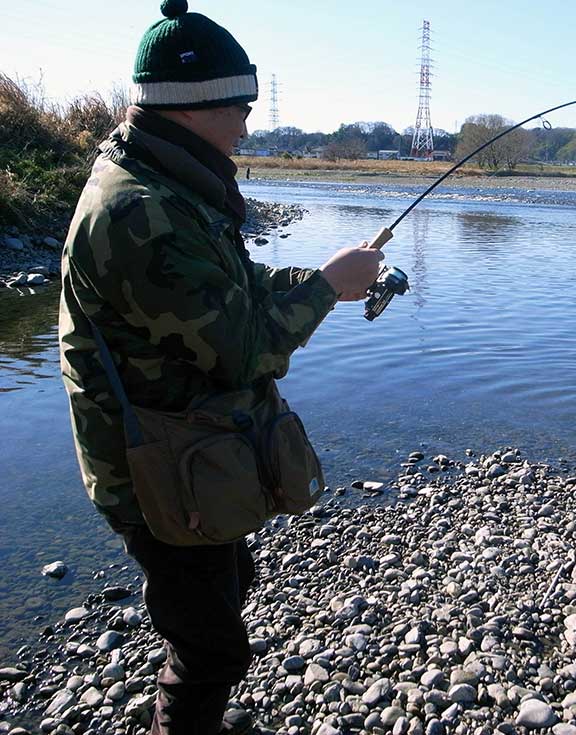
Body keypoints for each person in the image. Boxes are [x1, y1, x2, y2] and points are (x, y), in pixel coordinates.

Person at [57, 1, 382, 732]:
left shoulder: (167, 180)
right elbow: (242, 349)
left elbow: (234, 288)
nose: (247, 122)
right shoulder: (139, 212)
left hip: (186, 445)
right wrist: (331, 286)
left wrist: (326, 274)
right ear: (194, 106)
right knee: (211, 644)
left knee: (229, 581)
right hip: (151, 467)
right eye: (240, 105)